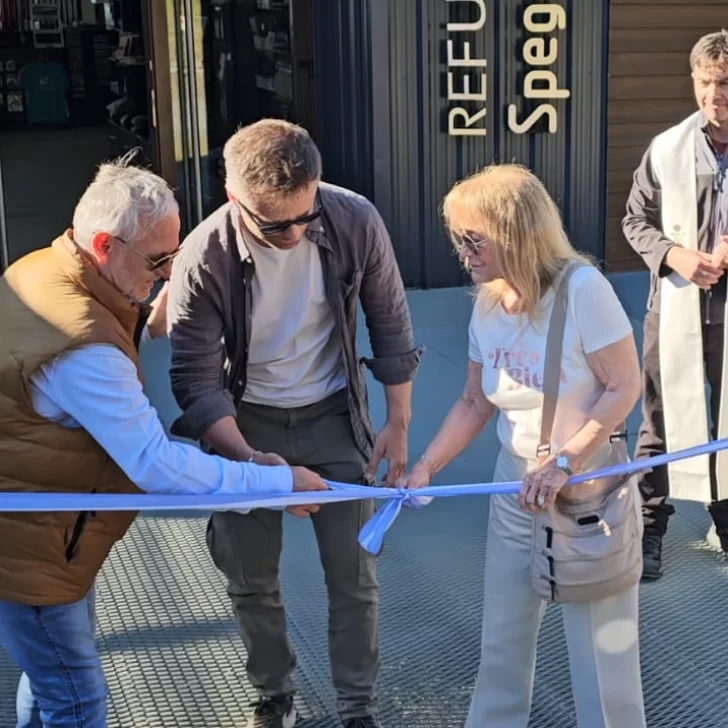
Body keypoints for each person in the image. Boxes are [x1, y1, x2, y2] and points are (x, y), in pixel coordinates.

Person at [0, 158, 328, 728]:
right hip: (33, 545)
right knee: (76, 698)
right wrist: (276, 482)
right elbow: (155, 464)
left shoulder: (40, 270)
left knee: (47, 672)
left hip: (37, 527)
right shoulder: (83, 345)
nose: (166, 272)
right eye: (157, 260)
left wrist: (144, 308)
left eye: (173, 256)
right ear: (104, 244)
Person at [166, 119, 420, 728]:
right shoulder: (204, 253)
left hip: (335, 414)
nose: (296, 232)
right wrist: (253, 465)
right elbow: (195, 381)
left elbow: (390, 322)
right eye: (275, 223)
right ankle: (272, 694)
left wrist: (398, 423)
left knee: (355, 579)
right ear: (233, 198)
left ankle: (359, 709)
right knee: (250, 578)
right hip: (243, 424)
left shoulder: (354, 218)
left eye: (305, 216)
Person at [400, 164, 646, 728]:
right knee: (503, 636)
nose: (462, 251)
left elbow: (623, 385)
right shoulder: (486, 304)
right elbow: (472, 402)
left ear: (513, 230)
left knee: (603, 650)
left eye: (472, 237)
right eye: (457, 237)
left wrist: (565, 462)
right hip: (517, 487)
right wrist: (425, 467)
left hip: (588, 493)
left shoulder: (585, 289)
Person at [622, 29, 728, 580]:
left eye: (726, 83)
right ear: (693, 81)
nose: (716, 94)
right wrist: (675, 255)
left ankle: (726, 516)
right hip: (679, 303)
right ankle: (649, 527)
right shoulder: (666, 149)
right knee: (659, 419)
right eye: (707, 82)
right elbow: (634, 220)